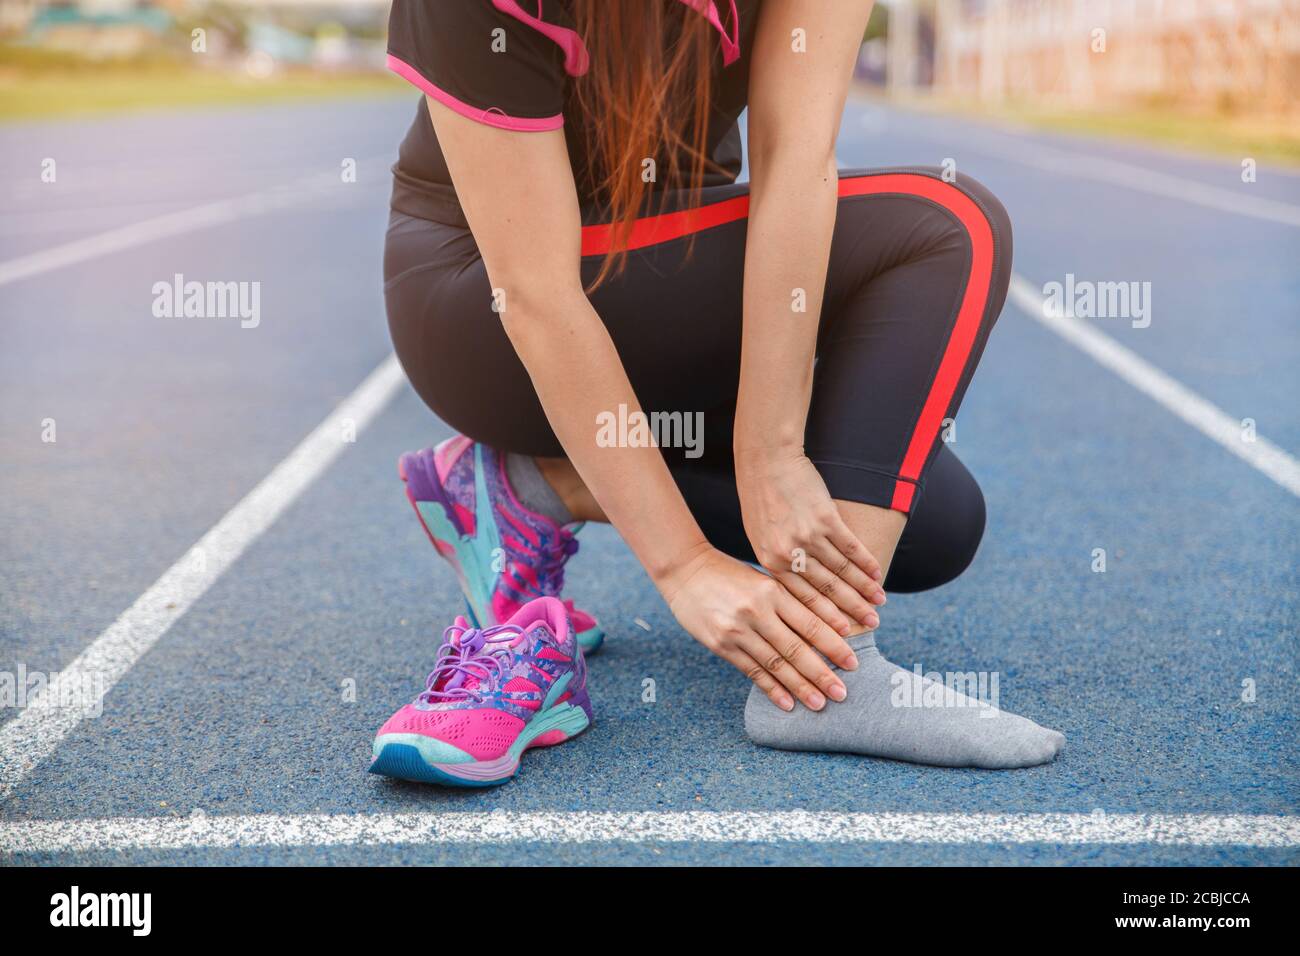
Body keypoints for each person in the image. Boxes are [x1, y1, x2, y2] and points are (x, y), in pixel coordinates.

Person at [374, 0, 1065, 783]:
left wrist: (769, 452)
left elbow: (796, 161)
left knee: (934, 523)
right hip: (481, 309)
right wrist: (685, 566)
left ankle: (532, 487)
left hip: (648, 266)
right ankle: (830, 680)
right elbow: (535, 294)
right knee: (948, 223)